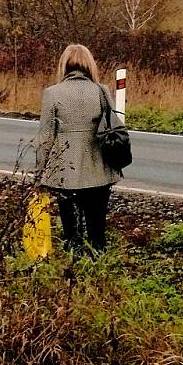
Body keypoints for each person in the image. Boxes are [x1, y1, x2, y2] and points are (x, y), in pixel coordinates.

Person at [35, 44, 122, 252]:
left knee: (71, 233)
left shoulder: (52, 93)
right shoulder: (101, 91)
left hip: (65, 173)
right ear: (89, 65)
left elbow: (46, 137)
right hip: (99, 170)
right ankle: (98, 269)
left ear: (64, 65)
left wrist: (39, 173)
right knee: (97, 230)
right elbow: (114, 126)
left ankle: (72, 272)